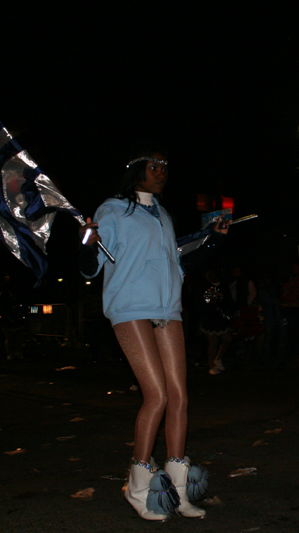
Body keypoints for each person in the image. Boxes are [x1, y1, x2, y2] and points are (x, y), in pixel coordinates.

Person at [79, 147, 226, 520]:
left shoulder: (162, 214)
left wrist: (213, 239)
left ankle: (177, 490)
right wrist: (87, 241)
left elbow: (178, 262)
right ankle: (139, 484)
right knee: (157, 395)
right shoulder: (111, 209)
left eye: (165, 167)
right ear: (136, 171)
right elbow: (89, 267)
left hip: (167, 308)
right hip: (130, 307)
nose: (162, 172)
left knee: (179, 396)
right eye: (154, 167)